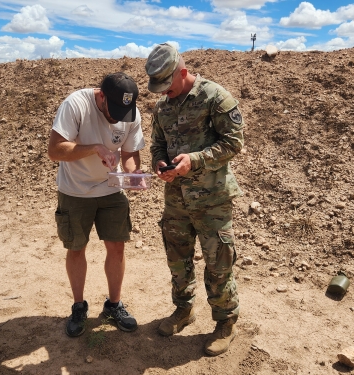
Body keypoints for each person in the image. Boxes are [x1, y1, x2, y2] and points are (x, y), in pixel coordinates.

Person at [145, 43, 245, 356]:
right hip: (176, 199)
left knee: (218, 262)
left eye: (168, 86)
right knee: (177, 258)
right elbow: (157, 145)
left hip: (212, 199)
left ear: (183, 73)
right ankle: (184, 310)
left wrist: (196, 160)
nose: (164, 93)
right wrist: (160, 163)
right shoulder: (164, 105)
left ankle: (226, 321)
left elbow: (234, 142)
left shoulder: (215, 96)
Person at [47, 72, 145, 337]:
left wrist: (132, 174)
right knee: (76, 248)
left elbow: (130, 154)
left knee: (117, 248)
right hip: (75, 191)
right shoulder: (75, 104)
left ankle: (114, 305)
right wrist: (95, 148)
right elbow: (55, 150)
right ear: (101, 96)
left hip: (112, 190)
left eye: (122, 113)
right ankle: (78, 307)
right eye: (112, 111)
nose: (116, 118)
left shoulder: (130, 113)